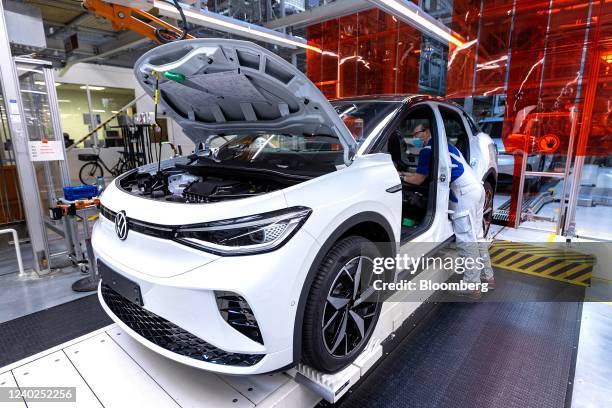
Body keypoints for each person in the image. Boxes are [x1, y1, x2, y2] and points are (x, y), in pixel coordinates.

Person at [399, 123, 495, 299]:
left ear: (427, 131)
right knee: (477, 236)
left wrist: (399, 176)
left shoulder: (428, 150)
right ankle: (487, 277)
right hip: (477, 189)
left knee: (466, 239)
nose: (415, 138)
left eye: (417, 133)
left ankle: (472, 286)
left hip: (464, 194)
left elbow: (419, 180)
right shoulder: (445, 146)